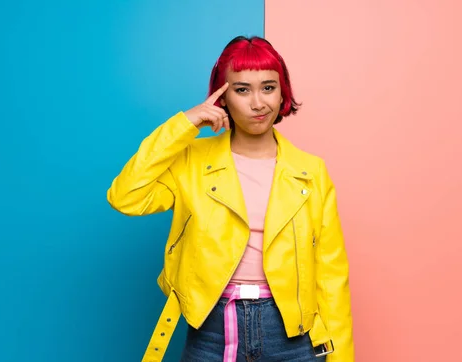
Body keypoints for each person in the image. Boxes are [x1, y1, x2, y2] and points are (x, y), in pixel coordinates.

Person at [107, 35, 354, 362]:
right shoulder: (191, 160)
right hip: (212, 327)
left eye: (268, 87)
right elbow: (126, 196)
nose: (257, 103)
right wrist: (185, 124)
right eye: (242, 89)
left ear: (283, 93)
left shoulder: (311, 172)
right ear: (221, 96)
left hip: (294, 335)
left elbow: (331, 277)